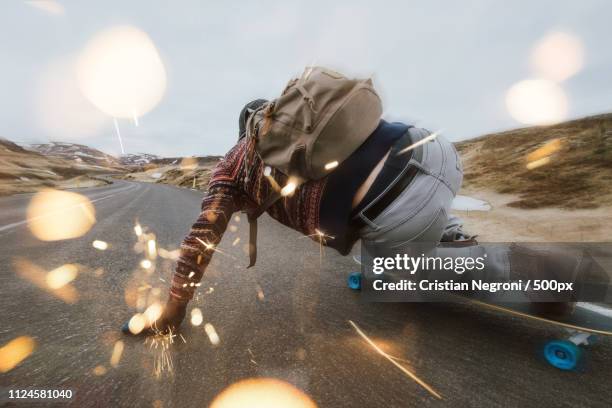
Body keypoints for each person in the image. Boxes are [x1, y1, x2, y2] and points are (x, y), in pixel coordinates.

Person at [120, 72, 474, 336]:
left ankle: (482, 271)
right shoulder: (314, 128)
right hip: (435, 150)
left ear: (245, 132)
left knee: (387, 273)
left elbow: (202, 235)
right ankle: (448, 231)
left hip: (399, 209)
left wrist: (174, 305)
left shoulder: (232, 164)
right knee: (401, 216)